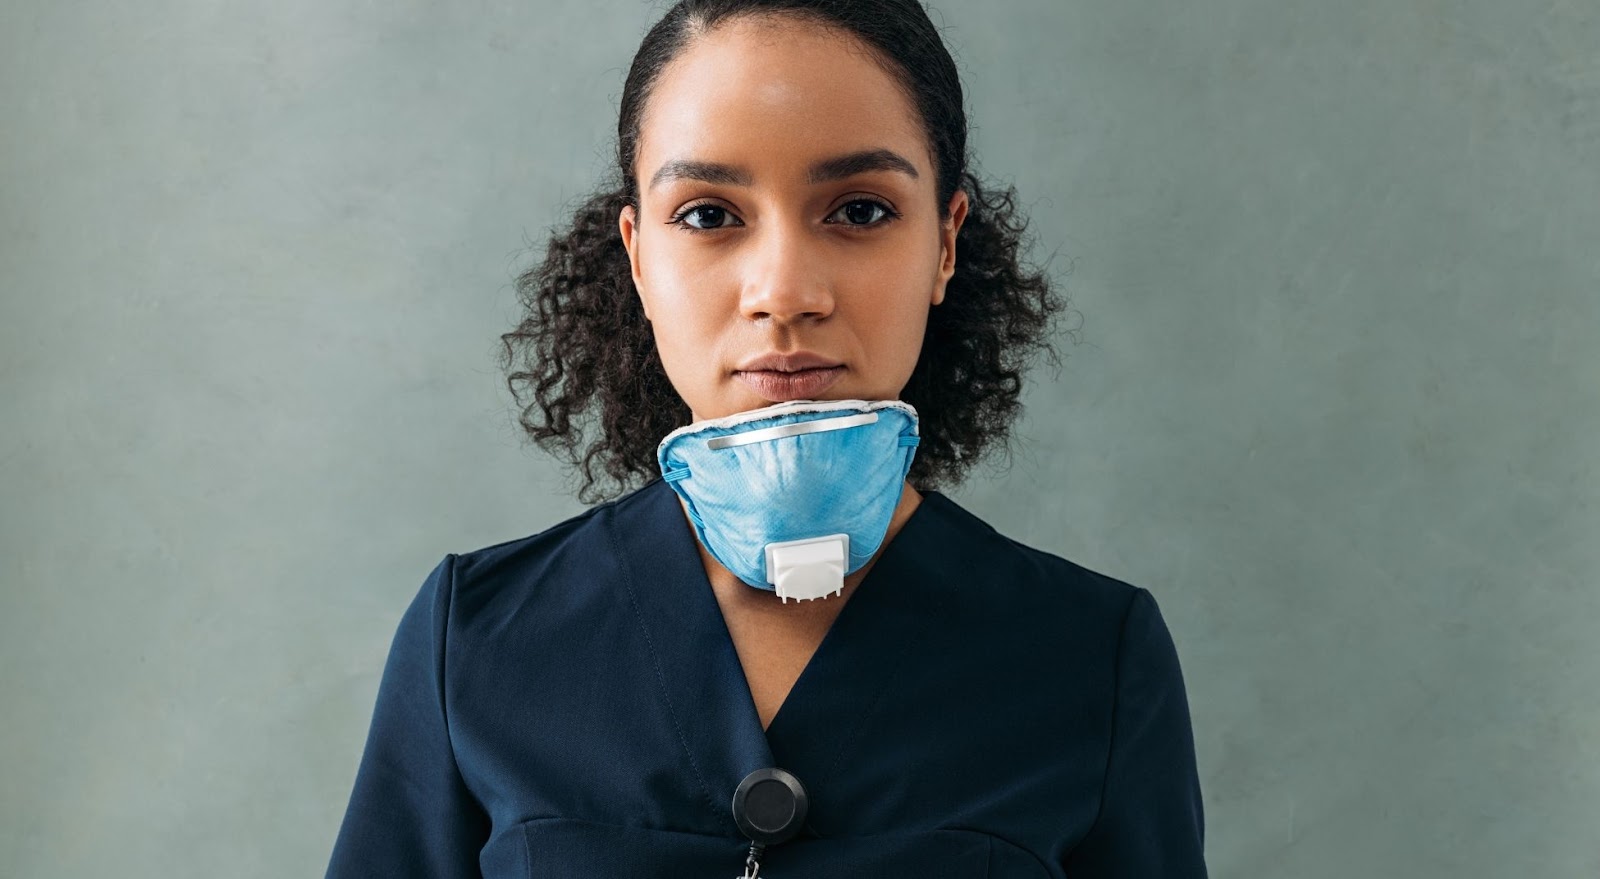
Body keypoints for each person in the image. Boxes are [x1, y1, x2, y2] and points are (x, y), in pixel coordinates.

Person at [324, 0, 1208, 875]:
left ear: (945, 242)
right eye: (708, 215)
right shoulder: (479, 636)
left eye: (859, 211)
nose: (783, 292)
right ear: (637, 255)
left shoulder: (1091, 656)